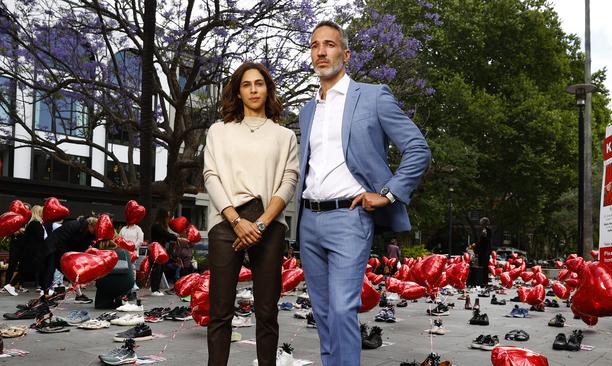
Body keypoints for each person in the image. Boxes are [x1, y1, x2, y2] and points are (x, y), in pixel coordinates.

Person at [297, 21, 431, 366]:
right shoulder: (308, 110)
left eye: (329, 44)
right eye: (315, 45)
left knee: (342, 307)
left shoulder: (372, 97)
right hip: (309, 220)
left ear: (346, 53)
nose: (321, 51)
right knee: (323, 312)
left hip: (349, 218)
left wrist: (387, 194)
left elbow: (418, 148)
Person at [203, 62, 299, 365]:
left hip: (268, 224)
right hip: (226, 222)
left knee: (268, 313)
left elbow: (289, 181)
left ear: (268, 89)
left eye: (259, 83)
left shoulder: (284, 136)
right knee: (219, 312)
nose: (254, 89)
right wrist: (235, 219)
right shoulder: (219, 131)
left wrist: (259, 224)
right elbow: (211, 176)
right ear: (238, 91)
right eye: (247, 84)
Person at [44, 216, 97, 302]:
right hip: (53, 247)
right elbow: (61, 241)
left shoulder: (90, 234)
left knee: (72, 273)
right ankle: (45, 294)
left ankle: (79, 295)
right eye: (95, 228)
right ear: (90, 225)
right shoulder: (74, 225)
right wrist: (66, 257)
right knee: (49, 271)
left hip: (64, 249)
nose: (96, 231)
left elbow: (82, 248)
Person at [149, 208, 182, 296]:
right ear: (163, 216)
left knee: (160, 269)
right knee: (156, 269)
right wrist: (176, 237)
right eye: (167, 215)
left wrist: (175, 239)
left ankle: (156, 288)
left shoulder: (161, 226)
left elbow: (166, 237)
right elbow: (166, 235)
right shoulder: (157, 226)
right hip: (156, 250)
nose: (168, 217)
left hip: (161, 250)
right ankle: (154, 289)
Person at [94, 239, 135, 309]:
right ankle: (123, 296)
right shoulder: (125, 252)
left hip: (106, 285)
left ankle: (107, 301)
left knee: (100, 304)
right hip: (127, 284)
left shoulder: (99, 254)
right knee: (124, 281)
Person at [476, 217, 491, 286]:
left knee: (485, 267)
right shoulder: (480, 230)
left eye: (482, 223)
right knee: (480, 266)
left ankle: (485, 281)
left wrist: (485, 236)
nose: (481, 225)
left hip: (485, 252)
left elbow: (489, 241)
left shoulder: (489, 230)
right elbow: (479, 241)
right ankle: (480, 280)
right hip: (480, 251)